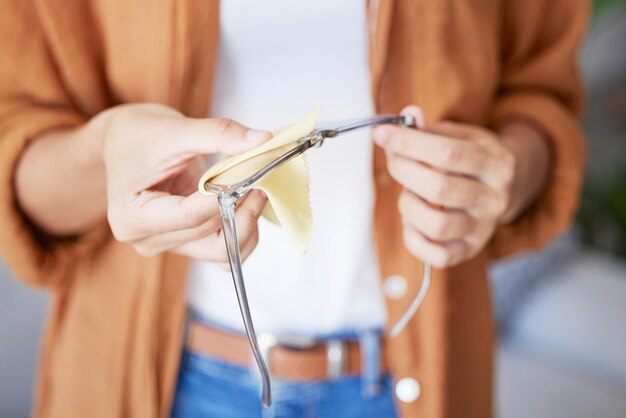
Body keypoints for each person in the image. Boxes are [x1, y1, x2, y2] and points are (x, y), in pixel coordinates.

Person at [0, 0, 588, 417]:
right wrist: (104, 153)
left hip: (418, 378)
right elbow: (19, 144)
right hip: (150, 383)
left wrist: (503, 172)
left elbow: (542, 94)